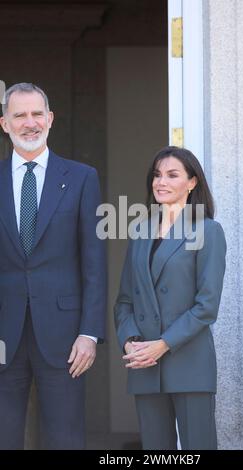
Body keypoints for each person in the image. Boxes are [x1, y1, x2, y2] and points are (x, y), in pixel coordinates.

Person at [0, 83, 107, 449]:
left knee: (65, 438)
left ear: (50, 118)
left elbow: (94, 261)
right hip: (2, 334)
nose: (30, 123)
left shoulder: (81, 178)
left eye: (36, 114)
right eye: (20, 115)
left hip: (66, 336)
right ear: (4, 123)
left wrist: (90, 333)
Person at [114, 146, 226, 450]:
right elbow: (124, 301)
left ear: (192, 182)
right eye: (157, 175)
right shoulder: (140, 231)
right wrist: (130, 341)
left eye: (172, 175)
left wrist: (162, 345)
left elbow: (206, 307)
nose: (161, 182)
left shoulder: (208, 230)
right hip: (145, 367)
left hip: (189, 364)